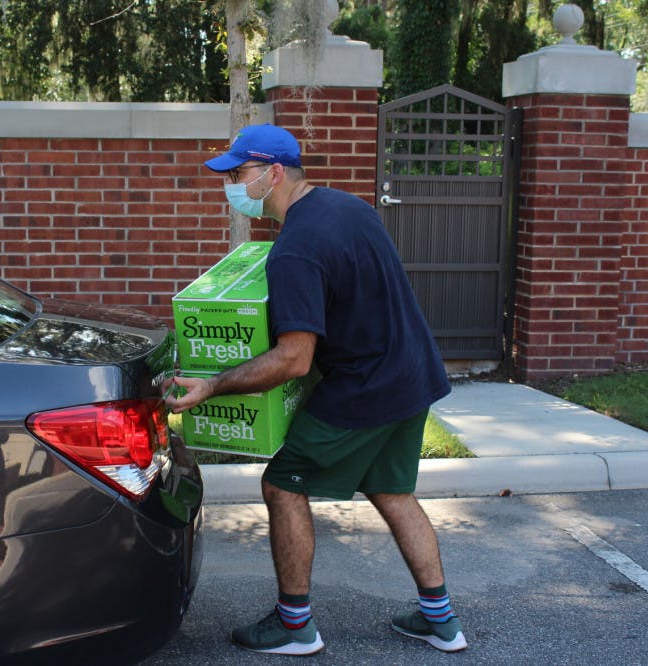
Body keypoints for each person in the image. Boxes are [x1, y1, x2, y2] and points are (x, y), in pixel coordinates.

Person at [165, 123, 467, 655]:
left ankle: (294, 625)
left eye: (239, 174)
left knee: (282, 485)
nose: (231, 185)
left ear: (273, 174)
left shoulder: (295, 249)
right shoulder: (348, 207)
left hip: (366, 388)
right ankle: (442, 621)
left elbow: (294, 359)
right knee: (392, 491)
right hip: (413, 373)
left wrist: (212, 385)